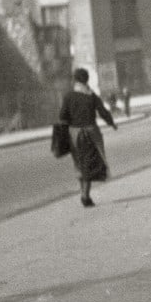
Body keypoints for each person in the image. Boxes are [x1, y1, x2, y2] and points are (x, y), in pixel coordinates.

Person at [57, 67, 116, 207]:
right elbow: (103, 112)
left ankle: (85, 194)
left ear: (75, 80)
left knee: (80, 164)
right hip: (91, 133)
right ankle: (85, 196)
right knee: (90, 164)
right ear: (87, 80)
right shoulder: (92, 95)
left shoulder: (68, 96)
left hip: (75, 135)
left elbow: (62, 116)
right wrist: (111, 123)